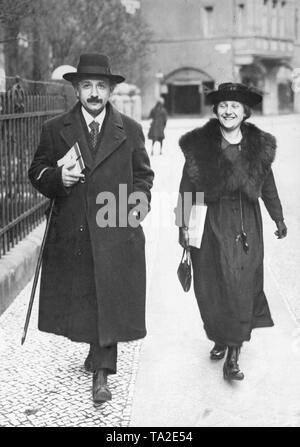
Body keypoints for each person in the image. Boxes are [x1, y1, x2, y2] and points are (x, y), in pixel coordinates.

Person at [28, 53, 154, 403]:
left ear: (111, 90)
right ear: (76, 90)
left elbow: (143, 177)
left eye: (101, 86)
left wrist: (133, 211)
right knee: (85, 294)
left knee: (109, 297)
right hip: (74, 231)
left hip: (114, 228)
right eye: (87, 86)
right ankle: (93, 347)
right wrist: (57, 177)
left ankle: (102, 374)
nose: (95, 93)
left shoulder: (130, 130)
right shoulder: (55, 129)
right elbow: (36, 170)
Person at [175, 82, 287, 381]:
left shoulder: (259, 146)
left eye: (234, 106)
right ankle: (220, 337)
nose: (228, 111)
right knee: (209, 287)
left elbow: (268, 185)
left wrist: (278, 217)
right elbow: (186, 188)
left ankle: (234, 355)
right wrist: (183, 225)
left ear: (245, 112)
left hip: (244, 225)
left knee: (240, 285)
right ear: (216, 110)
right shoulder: (200, 145)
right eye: (223, 105)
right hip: (208, 221)